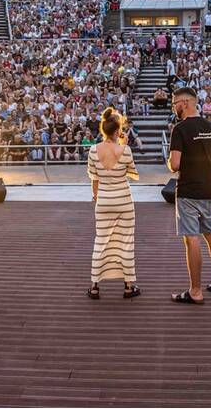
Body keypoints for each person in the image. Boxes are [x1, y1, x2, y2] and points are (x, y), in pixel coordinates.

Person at [168, 86, 211, 305]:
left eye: (175, 103)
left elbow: (174, 164)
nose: (174, 107)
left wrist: (176, 163)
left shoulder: (180, 129)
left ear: (185, 103)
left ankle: (195, 291)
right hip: (208, 189)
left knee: (191, 239)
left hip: (188, 191)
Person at [86, 108, 140, 300]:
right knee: (125, 242)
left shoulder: (93, 151)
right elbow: (132, 173)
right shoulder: (125, 151)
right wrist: (123, 145)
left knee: (101, 241)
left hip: (104, 200)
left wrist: (96, 196)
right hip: (124, 201)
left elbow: (94, 178)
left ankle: (94, 286)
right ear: (118, 131)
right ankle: (128, 286)